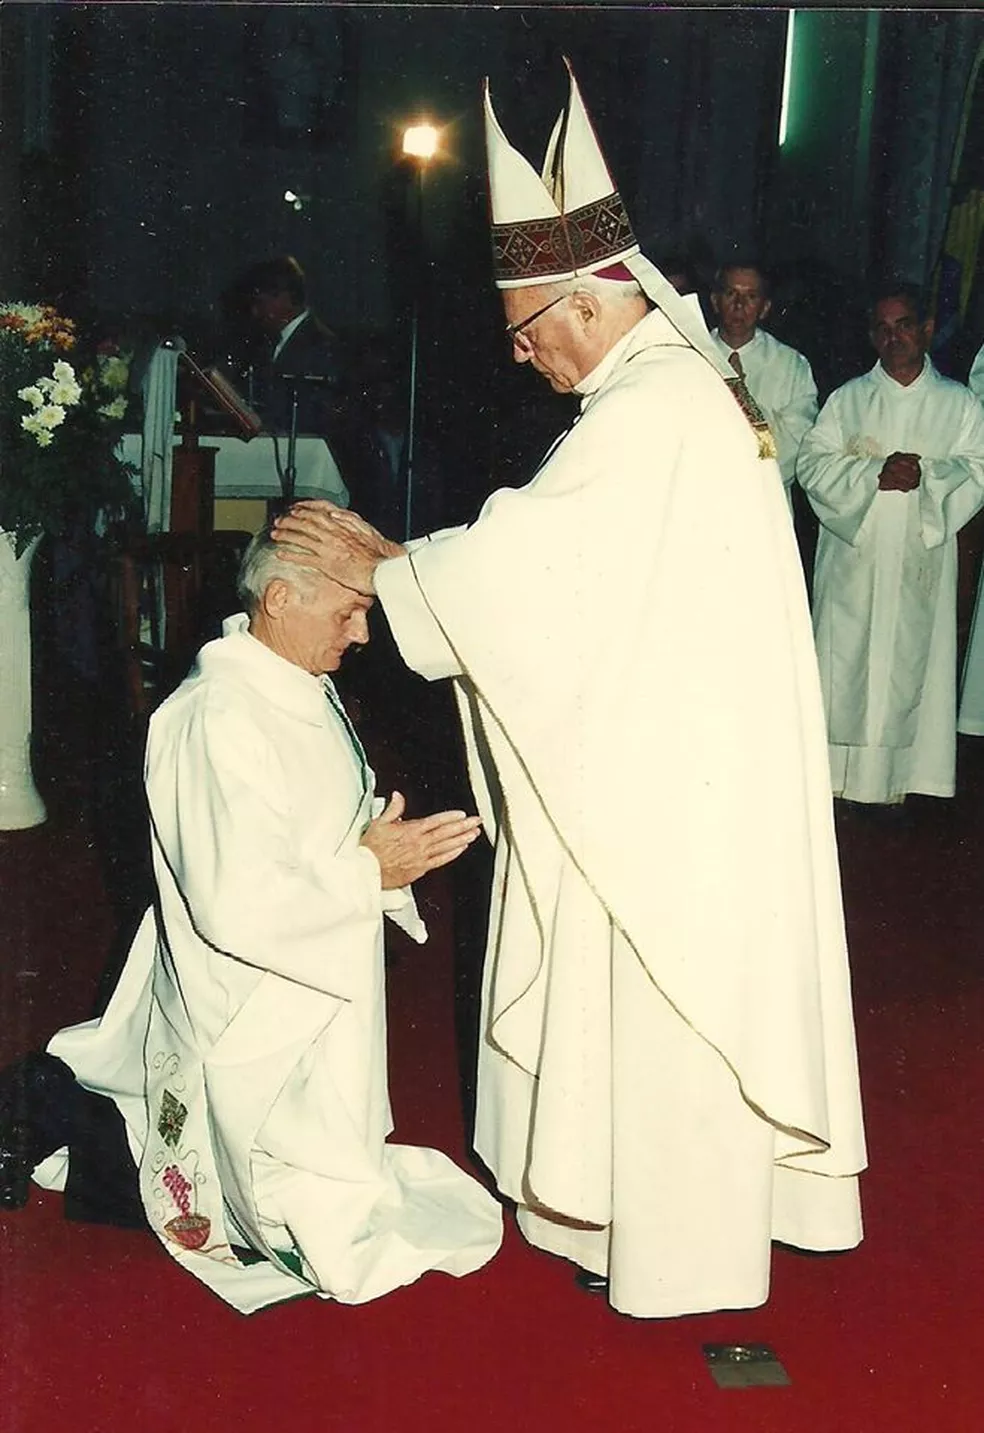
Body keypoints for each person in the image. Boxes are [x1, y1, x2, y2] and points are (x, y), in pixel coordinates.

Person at [271, 63, 866, 1321]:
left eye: (528, 327)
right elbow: (555, 567)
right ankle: (642, 1222)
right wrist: (405, 564)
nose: (521, 350)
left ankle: (680, 1248)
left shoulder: (652, 408)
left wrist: (389, 569)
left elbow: (535, 566)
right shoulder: (663, 391)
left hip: (669, 781)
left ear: (591, 296)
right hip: (668, 751)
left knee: (661, 988)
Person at [8, 526, 502, 1314]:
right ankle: (53, 1112)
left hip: (311, 965)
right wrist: (368, 870)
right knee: (260, 1203)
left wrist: (380, 844)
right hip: (249, 992)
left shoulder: (295, 680)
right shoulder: (214, 716)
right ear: (278, 599)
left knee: (325, 1168)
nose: (362, 634)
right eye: (348, 612)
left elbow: (307, 821)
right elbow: (232, 902)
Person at [797, 283, 984, 806]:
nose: (892, 337)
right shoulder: (849, 399)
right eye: (881, 327)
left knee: (911, 664)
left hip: (919, 557)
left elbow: (977, 467)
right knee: (847, 660)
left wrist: (928, 477)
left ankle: (905, 782)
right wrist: (870, 474)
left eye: (903, 325)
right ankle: (837, 781)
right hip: (855, 558)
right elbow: (812, 463)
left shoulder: (958, 403)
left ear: (926, 329)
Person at [710, 260, 818, 509]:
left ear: (765, 308)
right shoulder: (691, 355)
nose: (739, 305)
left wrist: (742, 399)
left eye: (751, 296)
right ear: (715, 301)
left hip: (763, 501)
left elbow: (795, 447)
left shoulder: (790, 365)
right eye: (731, 293)